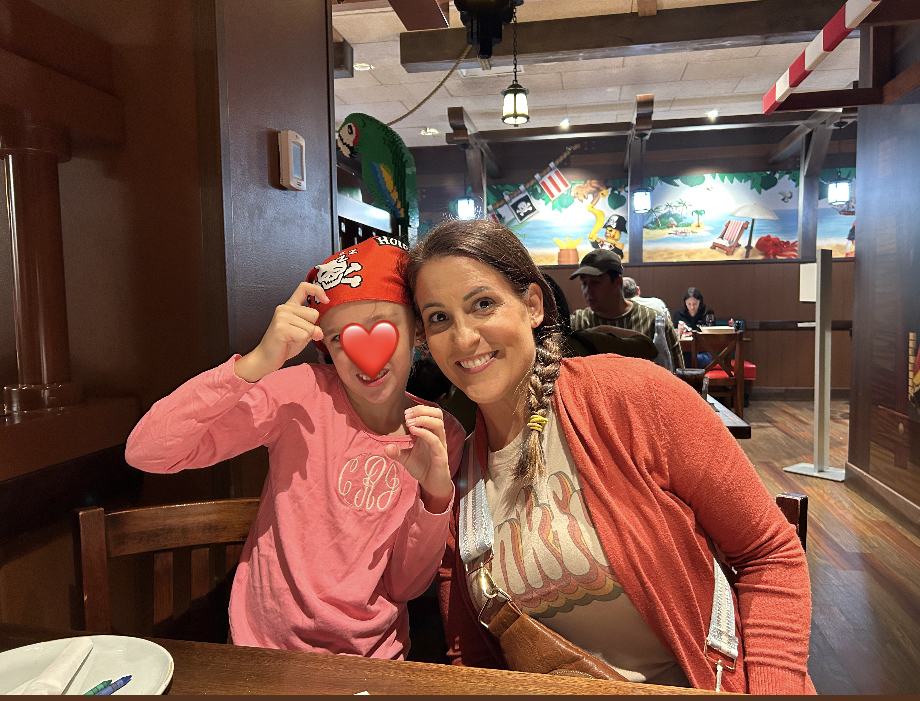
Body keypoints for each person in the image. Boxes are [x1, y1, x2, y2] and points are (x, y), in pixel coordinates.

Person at [407, 219, 815, 694]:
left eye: (482, 304)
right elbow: (474, 656)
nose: (463, 338)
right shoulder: (458, 475)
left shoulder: (633, 397)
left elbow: (769, 553)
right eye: (439, 318)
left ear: (533, 305)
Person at [125, 236, 466, 659]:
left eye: (383, 326)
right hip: (265, 651)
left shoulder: (440, 434)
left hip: (373, 658)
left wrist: (435, 496)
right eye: (340, 338)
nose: (364, 355)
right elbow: (148, 451)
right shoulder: (300, 394)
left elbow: (405, 585)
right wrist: (255, 363)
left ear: (416, 329)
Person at [568, 249, 683, 370]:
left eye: (596, 283)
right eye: (584, 283)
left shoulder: (654, 322)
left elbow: (678, 373)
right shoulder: (576, 323)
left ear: (617, 282)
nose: (588, 291)